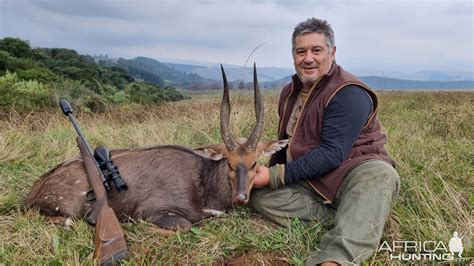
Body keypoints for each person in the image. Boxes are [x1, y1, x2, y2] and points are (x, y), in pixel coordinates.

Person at [250, 18, 400, 266]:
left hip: (352, 173)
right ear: (294, 56)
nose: (308, 58)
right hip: (311, 180)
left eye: (316, 50)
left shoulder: (348, 92)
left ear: (332, 52)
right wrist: (261, 174)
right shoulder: (289, 92)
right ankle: (357, 220)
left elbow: (333, 153)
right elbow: (287, 144)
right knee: (260, 196)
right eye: (301, 51)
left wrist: (275, 176)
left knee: (380, 174)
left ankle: (337, 256)